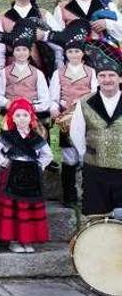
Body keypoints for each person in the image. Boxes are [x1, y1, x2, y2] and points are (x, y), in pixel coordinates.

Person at [0, 98, 52, 253]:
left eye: (25, 115)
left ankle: (27, 239)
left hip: (31, 178)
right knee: (14, 208)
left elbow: (48, 155)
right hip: (12, 175)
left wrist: (39, 166)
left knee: (28, 208)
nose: (22, 118)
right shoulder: (8, 136)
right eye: (18, 115)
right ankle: (14, 240)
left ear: (31, 117)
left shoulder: (36, 138)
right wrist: (3, 161)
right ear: (11, 118)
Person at [69, 52, 122, 216]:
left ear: (120, 79)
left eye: (112, 75)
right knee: (96, 216)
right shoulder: (85, 102)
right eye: (102, 75)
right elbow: (76, 132)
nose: (107, 79)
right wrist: (88, 153)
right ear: (97, 79)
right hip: (95, 169)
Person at [49, 39, 97, 206]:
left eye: (77, 51)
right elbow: (53, 97)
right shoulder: (59, 73)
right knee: (69, 156)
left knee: (87, 155)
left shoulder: (91, 72)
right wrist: (54, 108)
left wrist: (82, 101)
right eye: (70, 52)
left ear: (82, 53)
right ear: (65, 54)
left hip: (86, 118)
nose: (74, 55)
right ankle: (69, 195)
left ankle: (88, 195)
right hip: (67, 118)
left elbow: (96, 94)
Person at [0, 20, 52, 121]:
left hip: (32, 115)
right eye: (18, 50)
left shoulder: (38, 73)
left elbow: (45, 100)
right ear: (13, 52)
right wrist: (8, 103)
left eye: (24, 50)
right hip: (11, 114)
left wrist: (31, 107)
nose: (21, 53)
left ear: (29, 52)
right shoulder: (5, 72)